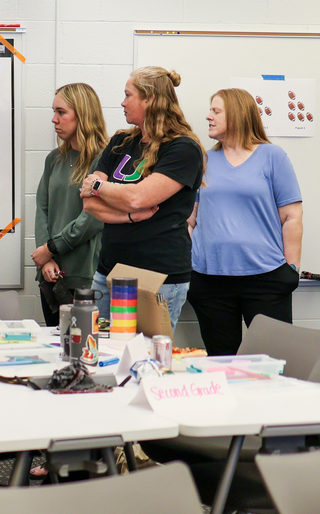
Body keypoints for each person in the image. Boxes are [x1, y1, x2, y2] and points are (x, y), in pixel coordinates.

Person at [80, 67, 205, 330]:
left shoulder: (182, 148)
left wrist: (99, 184)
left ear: (149, 99)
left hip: (157, 275)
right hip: (108, 272)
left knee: (146, 358)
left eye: (128, 95)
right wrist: (127, 216)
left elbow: (138, 197)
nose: (122, 102)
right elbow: (89, 202)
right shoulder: (121, 142)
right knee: (98, 349)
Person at [186, 88, 303, 356]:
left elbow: (292, 216)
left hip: (266, 278)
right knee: (222, 362)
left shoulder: (273, 157)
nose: (208, 117)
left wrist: (291, 270)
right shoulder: (202, 160)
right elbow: (189, 219)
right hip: (210, 281)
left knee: (277, 363)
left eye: (216, 111)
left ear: (237, 115)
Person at [32, 83, 112, 327]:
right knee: (56, 350)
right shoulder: (54, 158)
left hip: (84, 276)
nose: (54, 120)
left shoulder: (104, 159)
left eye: (61, 112)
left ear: (83, 115)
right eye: (54, 112)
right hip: (51, 273)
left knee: (85, 349)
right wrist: (45, 258)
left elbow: (93, 219)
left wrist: (52, 249)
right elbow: (42, 209)